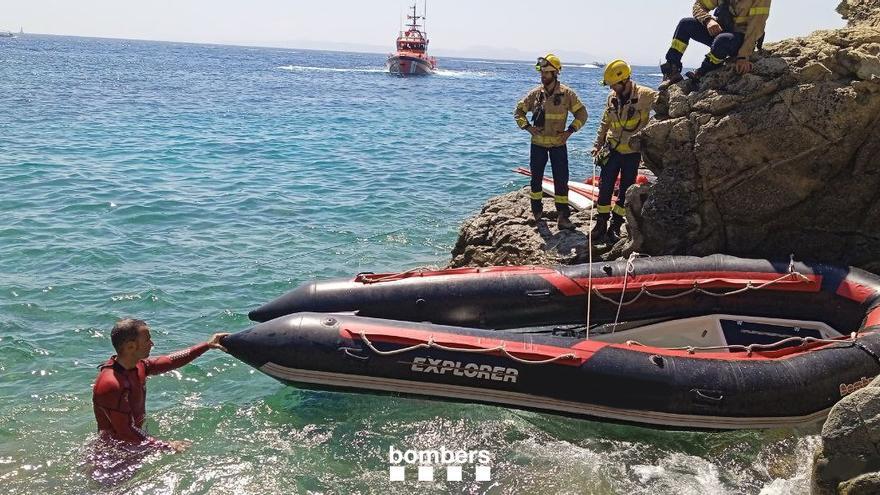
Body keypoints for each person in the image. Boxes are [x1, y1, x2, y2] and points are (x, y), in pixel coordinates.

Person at [92, 318, 228, 451]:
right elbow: (126, 432)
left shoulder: (138, 366)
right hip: (112, 453)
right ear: (130, 346)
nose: (152, 343)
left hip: (136, 443)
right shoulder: (110, 384)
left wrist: (206, 345)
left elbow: (170, 360)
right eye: (147, 340)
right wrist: (165, 445)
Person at [514, 53, 588, 230]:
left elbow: (582, 114)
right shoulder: (534, 95)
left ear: (555, 73)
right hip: (538, 144)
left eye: (547, 73)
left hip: (558, 145)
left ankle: (563, 217)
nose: (543, 76)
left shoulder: (567, 94)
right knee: (536, 181)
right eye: (542, 72)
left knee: (561, 181)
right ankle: (537, 214)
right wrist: (528, 128)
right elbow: (518, 112)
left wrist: (569, 131)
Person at [591, 60, 657, 243]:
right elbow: (605, 123)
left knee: (626, 190)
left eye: (613, 84)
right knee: (605, 188)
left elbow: (664, 104)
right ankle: (601, 223)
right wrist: (598, 144)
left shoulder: (645, 95)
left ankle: (616, 225)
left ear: (624, 80)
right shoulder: (612, 97)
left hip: (632, 153)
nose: (611, 88)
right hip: (612, 150)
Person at [660, 0, 771, 88]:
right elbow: (699, 5)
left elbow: (756, 28)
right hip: (721, 31)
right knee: (685, 24)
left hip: (742, 38)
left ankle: (702, 72)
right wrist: (708, 20)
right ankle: (672, 71)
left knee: (722, 40)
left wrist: (743, 56)